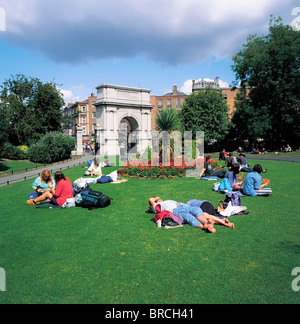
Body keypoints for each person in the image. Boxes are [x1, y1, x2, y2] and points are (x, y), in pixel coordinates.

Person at [149, 197, 234, 233]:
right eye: (158, 198)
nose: (160, 198)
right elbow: (150, 199)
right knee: (188, 217)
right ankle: (206, 226)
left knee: (197, 210)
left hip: (182, 205)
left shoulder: (166, 201)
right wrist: (156, 198)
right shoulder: (156, 206)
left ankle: (208, 223)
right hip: (175, 211)